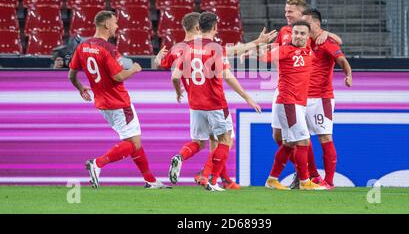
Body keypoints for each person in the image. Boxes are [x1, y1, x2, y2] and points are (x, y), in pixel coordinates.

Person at [157, 12, 276, 189]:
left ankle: (219, 179)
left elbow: (173, 74)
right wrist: (248, 97)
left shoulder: (183, 48)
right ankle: (210, 179)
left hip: (195, 103)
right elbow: (228, 71)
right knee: (225, 141)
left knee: (204, 142)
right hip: (214, 102)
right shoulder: (215, 48)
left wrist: (176, 88)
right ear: (211, 27)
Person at [68, 10, 169, 189]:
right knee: (133, 143)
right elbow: (118, 77)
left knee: (133, 141)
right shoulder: (108, 48)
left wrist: (80, 88)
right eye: (115, 23)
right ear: (106, 25)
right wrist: (135, 69)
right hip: (119, 103)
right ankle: (98, 163)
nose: (117, 26)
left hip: (102, 104)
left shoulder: (82, 47)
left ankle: (150, 180)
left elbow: (71, 74)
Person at [271, 0, 343, 169]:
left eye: (290, 11)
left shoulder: (307, 33)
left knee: (301, 135)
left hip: (302, 92)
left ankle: (309, 174)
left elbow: (337, 42)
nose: (286, 14)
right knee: (278, 136)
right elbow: (275, 51)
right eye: (286, 11)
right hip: (282, 88)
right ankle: (303, 171)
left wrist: (326, 33)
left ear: (302, 14)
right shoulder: (284, 31)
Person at [288, 8, 352, 190]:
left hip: (321, 99)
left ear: (316, 24)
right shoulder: (303, 42)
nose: (303, 27)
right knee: (302, 139)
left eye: (307, 23)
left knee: (325, 137)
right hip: (301, 98)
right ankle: (313, 176)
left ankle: (329, 181)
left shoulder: (327, 43)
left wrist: (348, 74)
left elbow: (342, 60)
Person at [260, 21, 325, 190]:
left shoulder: (308, 49)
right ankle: (304, 182)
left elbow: (321, 35)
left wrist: (326, 33)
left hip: (298, 103)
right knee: (303, 141)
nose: (298, 36)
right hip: (289, 102)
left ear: (309, 36)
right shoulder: (285, 50)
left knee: (289, 143)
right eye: (295, 32)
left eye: (302, 33)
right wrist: (261, 44)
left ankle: (272, 180)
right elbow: (264, 57)